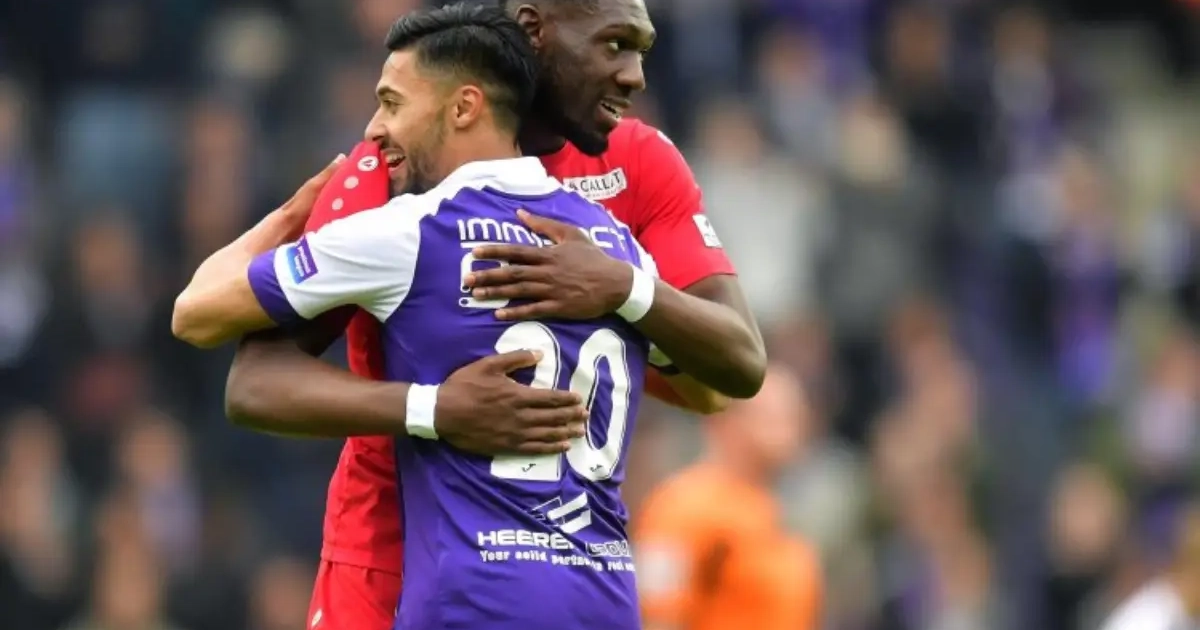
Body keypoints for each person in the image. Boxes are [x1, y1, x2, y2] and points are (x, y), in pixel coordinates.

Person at [223, 0, 767, 628]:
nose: (636, 75)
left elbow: (721, 379)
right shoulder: (402, 172)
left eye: (640, 49)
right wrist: (435, 409)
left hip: (527, 577)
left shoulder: (626, 180)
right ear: (534, 30)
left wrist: (623, 291)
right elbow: (243, 359)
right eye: (616, 44)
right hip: (399, 553)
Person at [633, 365, 823, 630]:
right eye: (773, 416)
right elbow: (657, 616)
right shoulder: (681, 508)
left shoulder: (779, 509)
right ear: (726, 422)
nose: (792, 429)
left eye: (795, 416)